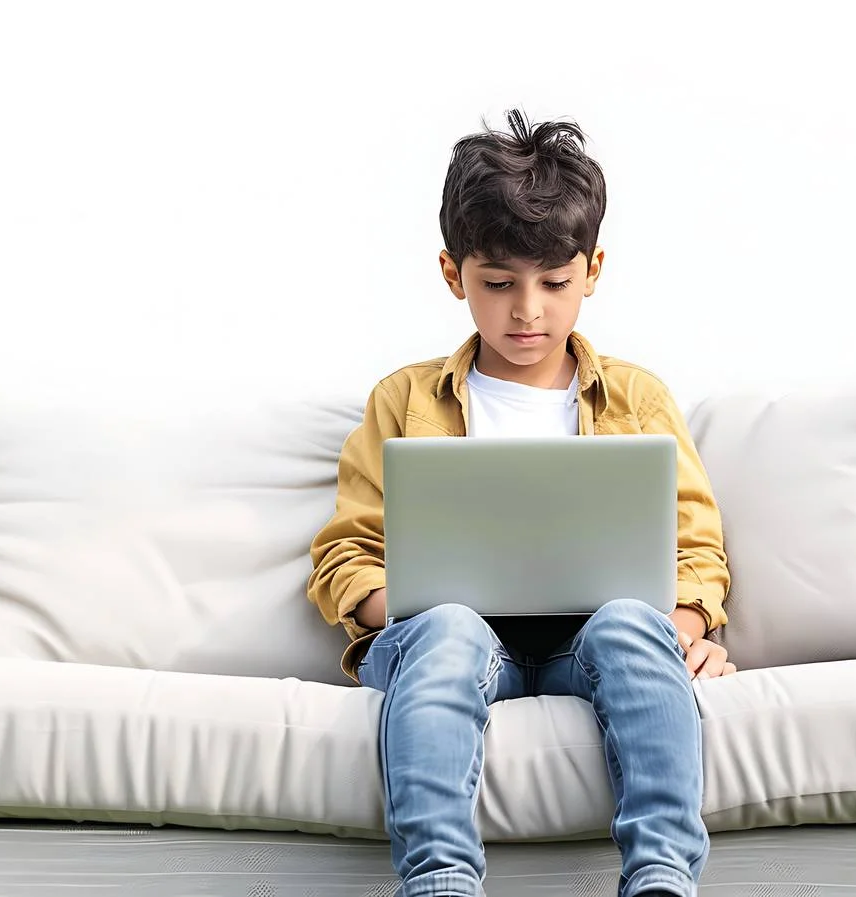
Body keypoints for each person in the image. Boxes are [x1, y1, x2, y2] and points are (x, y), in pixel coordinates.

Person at [307, 109, 734, 897]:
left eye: (554, 283)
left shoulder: (637, 397)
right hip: (457, 644)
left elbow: (696, 550)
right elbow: (346, 553)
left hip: (588, 644)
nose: (527, 310)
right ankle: (439, 883)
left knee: (632, 623)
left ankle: (662, 879)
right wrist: (401, 602)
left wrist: (683, 627)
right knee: (448, 628)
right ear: (452, 273)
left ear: (593, 269)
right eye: (498, 284)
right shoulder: (403, 398)